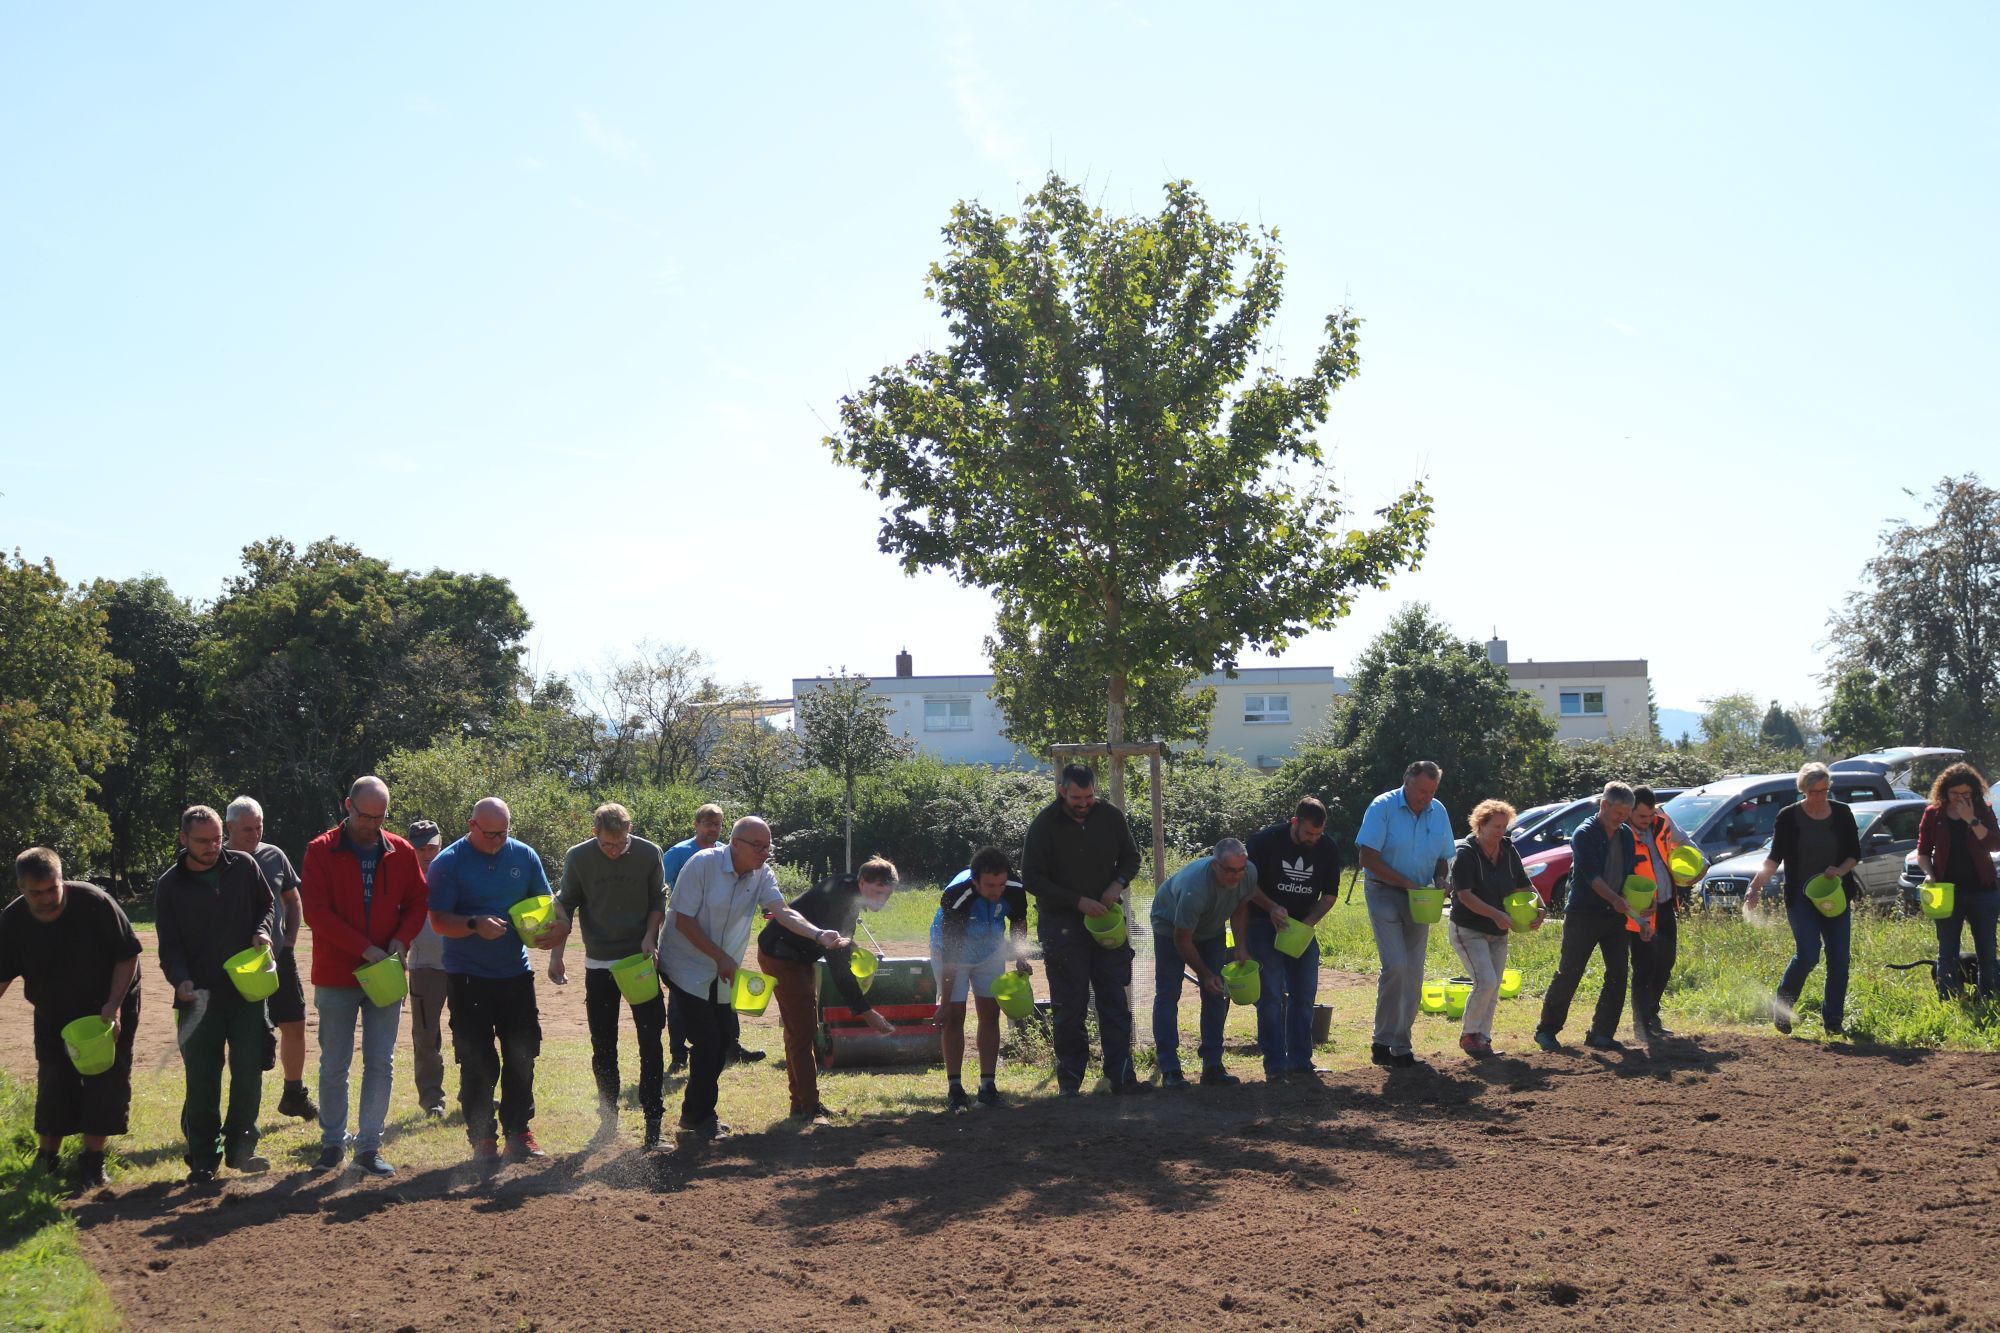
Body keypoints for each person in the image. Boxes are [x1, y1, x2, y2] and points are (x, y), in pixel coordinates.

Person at [658, 817, 840, 1142]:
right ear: (735, 844)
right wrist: (720, 957)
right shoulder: (702, 865)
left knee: (721, 1040)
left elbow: (779, 911)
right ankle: (702, 1117)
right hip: (685, 966)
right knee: (709, 1041)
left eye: (768, 847)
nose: (764, 853)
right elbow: (683, 921)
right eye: (758, 846)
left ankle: (693, 1114)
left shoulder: (760, 874)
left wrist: (818, 934)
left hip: (721, 969)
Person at [299, 776, 428, 1175]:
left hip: (386, 974)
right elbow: (315, 912)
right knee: (334, 1064)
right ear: (347, 806)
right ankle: (333, 1144)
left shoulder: (402, 851)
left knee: (380, 1063)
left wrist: (401, 941)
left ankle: (369, 1147)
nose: (371, 824)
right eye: (364, 815)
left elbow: (418, 903)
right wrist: (364, 948)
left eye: (379, 817)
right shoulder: (320, 850)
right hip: (337, 974)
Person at [424, 797, 557, 1164]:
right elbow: (438, 920)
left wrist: (551, 927)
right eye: (492, 834)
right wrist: (473, 925)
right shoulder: (448, 863)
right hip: (469, 977)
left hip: (515, 973)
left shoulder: (524, 855)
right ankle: (482, 1139)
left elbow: (543, 902)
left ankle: (518, 1132)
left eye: (504, 832)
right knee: (477, 1060)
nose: (499, 840)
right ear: (472, 826)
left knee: (522, 1054)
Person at [0, 848, 142, 1190]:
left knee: (105, 1076)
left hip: (106, 1002)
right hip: (53, 1008)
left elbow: (127, 956)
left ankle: (93, 1161)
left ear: (61, 879)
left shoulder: (95, 903)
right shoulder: (13, 921)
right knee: (54, 1075)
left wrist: (114, 1005)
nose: (48, 898)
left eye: (53, 888)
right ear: (21, 888)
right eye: (37, 892)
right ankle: (47, 1156)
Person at [155, 804, 275, 1183]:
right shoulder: (170, 885)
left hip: (247, 992)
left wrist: (263, 930)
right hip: (198, 999)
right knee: (202, 1079)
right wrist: (181, 980)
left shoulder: (243, 866)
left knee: (248, 1075)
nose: (212, 847)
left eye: (217, 839)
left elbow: (267, 905)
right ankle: (204, 1157)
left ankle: (242, 1149)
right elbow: (168, 946)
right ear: (183, 838)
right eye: (202, 841)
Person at [543, 803, 669, 1147]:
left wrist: (649, 937)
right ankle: (608, 1120)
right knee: (603, 1046)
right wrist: (556, 956)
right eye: (607, 845)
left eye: (621, 844)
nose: (614, 852)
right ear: (594, 832)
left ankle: (653, 1122)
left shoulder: (648, 852)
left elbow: (659, 900)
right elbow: (564, 905)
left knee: (650, 1041)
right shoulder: (578, 857)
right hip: (599, 963)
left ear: (630, 833)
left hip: (639, 963)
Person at [1021, 763, 1147, 1096]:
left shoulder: (1111, 817)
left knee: (1114, 1000)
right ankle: (1070, 1081)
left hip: (1107, 920)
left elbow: (1132, 858)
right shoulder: (1044, 826)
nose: (1084, 802)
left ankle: (1121, 1077)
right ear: (1063, 790)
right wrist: (1077, 901)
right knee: (1069, 1004)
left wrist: (1117, 885)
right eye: (1077, 797)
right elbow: (1032, 879)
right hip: (1062, 926)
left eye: (1089, 795)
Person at [757, 857, 898, 1124]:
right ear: (861, 882)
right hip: (781, 955)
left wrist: (852, 948)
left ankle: (800, 1105)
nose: (882, 899)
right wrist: (866, 1012)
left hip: (798, 957)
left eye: (887, 894)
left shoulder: (848, 890)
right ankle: (810, 1108)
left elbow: (840, 943)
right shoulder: (842, 901)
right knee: (803, 1031)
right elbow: (838, 964)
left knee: (799, 1030)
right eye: (878, 892)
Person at [1741, 764, 1861, 1035]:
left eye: (1825, 790)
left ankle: (1833, 1022)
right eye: (1814, 791)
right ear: (1803, 790)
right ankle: (1782, 1007)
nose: (1820, 796)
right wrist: (1755, 886)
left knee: (1839, 960)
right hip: (1800, 897)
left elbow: (1855, 853)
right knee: (1808, 954)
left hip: (1835, 895)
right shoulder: (1789, 817)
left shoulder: (1842, 813)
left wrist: (1839, 871)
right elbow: (1774, 857)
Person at [1535, 783, 1653, 1052]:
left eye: (1626, 812)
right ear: (1604, 806)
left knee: (1618, 974)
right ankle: (1547, 1030)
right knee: (1569, 972)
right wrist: (1616, 900)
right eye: (1617, 811)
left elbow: (1629, 875)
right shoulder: (1584, 834)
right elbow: (1591, 877)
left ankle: (1601, 1033)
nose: (1622, 817)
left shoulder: (1625, 835)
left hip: (1614, 917)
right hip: (1583, 915)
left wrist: (1642, 909)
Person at [1355, 760, 1457, 1067]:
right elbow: (1367, 858)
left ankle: (1400, 1044)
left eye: (1432, 791)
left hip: (1422, 898)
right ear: (1407, 782)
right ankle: (1380, 1039)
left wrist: (1440, 880)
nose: (1426, 797)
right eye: (1422, 791)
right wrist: (1408, 884)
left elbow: (1443, 856)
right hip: (1384, 892)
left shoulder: (1438, 811)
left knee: (1413, 972)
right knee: (1396, 965)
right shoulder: (1382, 807)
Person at [223, 796, 315, 1125]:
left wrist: (289, 943)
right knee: (247, 1035)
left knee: (295, 1022)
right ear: (229, 827)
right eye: (247, 828)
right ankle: (245, 1106)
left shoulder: (274, 855)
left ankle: (294, 1093)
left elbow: (292, 899)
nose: (254, 834)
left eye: (259, 826)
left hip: (277, 957)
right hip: (240, 966)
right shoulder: (218, 860)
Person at [1149, 839, 1264, 1088]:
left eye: (1240, 869)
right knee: (1168, 993)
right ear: (1215, 866)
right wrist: (1204, 973)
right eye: (1230, 870)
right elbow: (1182, 939)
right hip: (1170, 927)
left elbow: (1241, 908)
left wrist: (1242, 948)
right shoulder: (1195, 888)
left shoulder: (1248, 873)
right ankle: (1170, 1068)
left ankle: (1213, 1066)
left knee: (1216, 992)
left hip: (1211, 929)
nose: (1236, 876)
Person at [1244, 797, 1342, 1080]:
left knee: (1305, 993)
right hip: (1262, 923)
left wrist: (1308, 923)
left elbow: (1330, 895)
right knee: (1272, 995)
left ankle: (1301, 1061)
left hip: (1300, 927)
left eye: (1318, 834)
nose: (1314, 839)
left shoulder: (1327, 847)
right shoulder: (1265, 841)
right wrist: (1272, 908)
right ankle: (1275, 1063)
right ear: (1295, 822)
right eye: (1309, 833)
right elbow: (1246, 885)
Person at [929, 848, 1030, 1111]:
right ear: (975, 881)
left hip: (990, 948)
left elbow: (1019, 920)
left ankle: (988, 1086)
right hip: (952, 954)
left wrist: (1019, 956)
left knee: (990, 1013)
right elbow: (951, 957)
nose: (997, 891)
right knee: (954, 1015)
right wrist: (945, 1002)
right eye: (989, 885)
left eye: (1000, 884)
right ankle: (955, 1089)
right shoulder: (956, 896)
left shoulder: (1015, 887)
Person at [662, 804, 760, 1071]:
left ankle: (731, 1046)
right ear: (696, 824)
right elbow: (667, 894)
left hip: (721, 944)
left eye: (717, 824)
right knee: (683, 1000)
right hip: (688, 941)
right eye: (708, 823)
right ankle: (678, 1054)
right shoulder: (681, 854)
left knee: (724, 994)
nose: (713, 829)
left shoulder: (726, 853)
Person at [1447, 800, 1541, 1060]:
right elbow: (1464, 896)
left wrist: (1540, 908)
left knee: (1494, 985)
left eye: (1504, 826)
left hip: (1499, 930)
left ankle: (1483, 1039)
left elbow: (1524, 884)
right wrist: (1496, 913)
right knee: (1485, 981)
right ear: (1480, 825)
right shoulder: (1466, 853)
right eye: (1495, 826)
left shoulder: (1508, 850)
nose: (1500, 831)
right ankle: (1469, 1034)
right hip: (1468, 928)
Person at [1914, 761, 2000, 1001]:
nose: (1959, 798)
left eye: (1965, 793)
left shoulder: (1983, 810)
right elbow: (1922, 851)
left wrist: (1971, 819)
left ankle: (1988, 999)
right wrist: (1929, 874)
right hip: (1946, 892)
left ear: (1973, 790)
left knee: (1987, 951)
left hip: (1983, 890)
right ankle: (1950, 1000)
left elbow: (1994, 844)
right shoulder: (1934, 813)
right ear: (1944, 791)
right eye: (1954, 793)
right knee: (1947, 951)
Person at [1627, 786, 1692, 1043]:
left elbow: (1684, 842)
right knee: (1644, 967)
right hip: (1640, 910)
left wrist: (1700, 864)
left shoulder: (1661, 820)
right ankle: (1641, 1025)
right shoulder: (1622, 832)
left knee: (1665, 962)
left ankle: (1652, 1016)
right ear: (1630, 812)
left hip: (1665, 904)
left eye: (1650, 815)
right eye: (1642, 817)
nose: (1648, 820)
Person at [403, 820, 449, 1117]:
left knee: (472, 1034)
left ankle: (476, 1094)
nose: (427, 853)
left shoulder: (454, 871)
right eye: (420, 848)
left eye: (431, 846)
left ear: (440, 844)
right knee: (425, 1037)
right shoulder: (402, 878)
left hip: (463, 965)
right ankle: (432, 1100)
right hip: (423, 968)